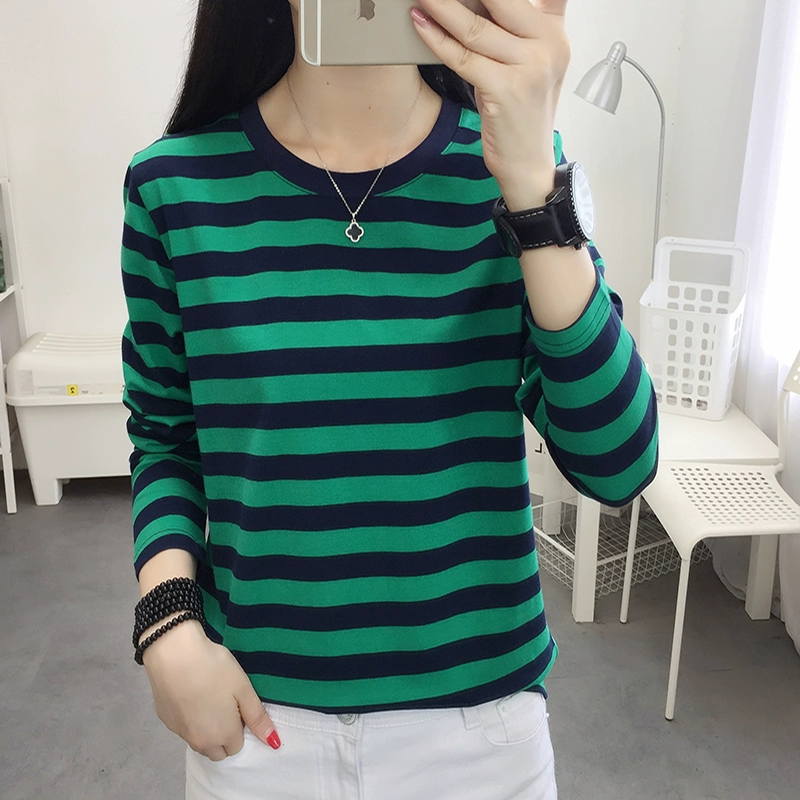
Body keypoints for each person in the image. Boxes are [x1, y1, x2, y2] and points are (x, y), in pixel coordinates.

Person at [121, 0, 658, 797]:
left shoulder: (511, 170)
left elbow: (618, 462)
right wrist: (167, 622)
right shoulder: (173, 185)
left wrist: (531, 191)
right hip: (258, 719)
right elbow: (167, 441)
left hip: (481, 729)